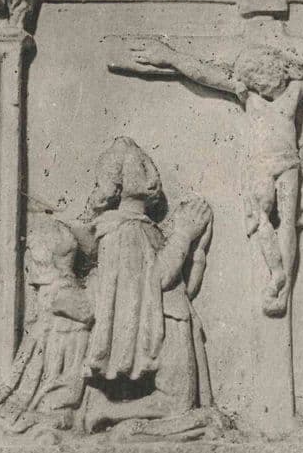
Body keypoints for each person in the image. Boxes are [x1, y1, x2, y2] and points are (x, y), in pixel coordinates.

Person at [110, 37, 303, 316]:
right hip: (273, 166)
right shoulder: (264, 94)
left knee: (275, 221)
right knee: (272, 220)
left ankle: (280, 279)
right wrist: (168, 57)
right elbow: (203, 72)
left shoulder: (275, 94)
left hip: (276, 166)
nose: (263, 83)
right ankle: (278, 275)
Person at [80, 136, 217, 437]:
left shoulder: (143, 227)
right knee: (178, 402)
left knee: (182, 401)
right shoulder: (124, 229)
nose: (151, 173)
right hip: (164, 322)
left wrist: (198, 249)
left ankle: (109, 411)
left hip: (177, 317)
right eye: (141, 166)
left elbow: (184, 287)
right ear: (118, 181)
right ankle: (105, 410)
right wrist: (183, 234)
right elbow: (158, 279)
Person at [0, 218, 93, 438]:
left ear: (43, 258)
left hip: (63, 374)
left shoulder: (60, 293)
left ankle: (47, 414)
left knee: (49, 401)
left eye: (31, 253)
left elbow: (85, 311)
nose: (27, 263)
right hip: (49, 366)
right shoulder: (51, 292)